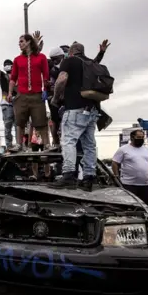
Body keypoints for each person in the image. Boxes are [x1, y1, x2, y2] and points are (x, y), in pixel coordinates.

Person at [49, 42, 100, 191]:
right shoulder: (90, 63)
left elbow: (62, 79)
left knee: (68, 141)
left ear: (71, 52)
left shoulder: (69, 61)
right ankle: (89, 177)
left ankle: (69, 174)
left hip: (75, 108)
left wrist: (56, 98)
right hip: (92, 110)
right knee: (89, 145)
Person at [7, 32, 49, 153]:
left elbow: (45, 76)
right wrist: (10, 93)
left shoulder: (41, 57)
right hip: (22, 94)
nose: (19, 44)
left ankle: (46, 144)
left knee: (41, 121)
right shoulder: (17, 60)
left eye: (22, 41)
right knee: (20, 121)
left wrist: (45, 90)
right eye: (19, 42)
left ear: (29, 42)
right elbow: (13, 78)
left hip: (36, 94)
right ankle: (19, 145)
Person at [112, 130, 148, 207]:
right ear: (132, 137)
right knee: (130, 206)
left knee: (147, 206)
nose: (141, 139)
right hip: (129, 184)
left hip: (146, 185)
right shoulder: (123, 149)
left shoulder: (147, 149)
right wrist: (116, 176)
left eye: (142, 137)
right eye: (138, 137)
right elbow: (115, 162)